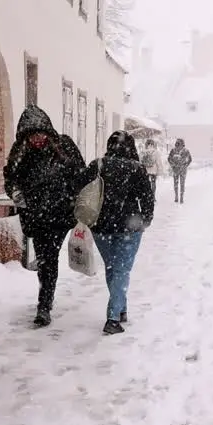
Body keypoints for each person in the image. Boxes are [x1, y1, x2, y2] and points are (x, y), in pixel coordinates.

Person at [3, 106, 86, 327]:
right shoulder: (20, 152)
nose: (36, 139)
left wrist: (74, 196)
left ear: (48, 132)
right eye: (31, 135)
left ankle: (44, 304)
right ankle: (45, 301)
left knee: (49, 258)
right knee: (45, 259)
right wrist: (17, 193)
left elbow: (80, 173)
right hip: (36, 217)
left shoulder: (64, 146)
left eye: (40, 134)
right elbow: (10, 177)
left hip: (60, 215)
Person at [79, 131, 156, 334]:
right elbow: (147, 197)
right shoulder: (137, 169)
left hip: (101, 226)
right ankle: (113, 318)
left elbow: (81, 189)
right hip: (129, 227)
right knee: (121, 269)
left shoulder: (98, 165)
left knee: (113, 268)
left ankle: (121, 308)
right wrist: (146, 219)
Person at [167, 138, 193, 203]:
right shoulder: (186, 150)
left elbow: (169, 159)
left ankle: (177, 197)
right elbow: (190, 159)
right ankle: (181, 198)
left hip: (176, 169)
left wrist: (173, 165)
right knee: (182, 184)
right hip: (182, 170)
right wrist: (185, 165)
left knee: (176, 184)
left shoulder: (173, 150)